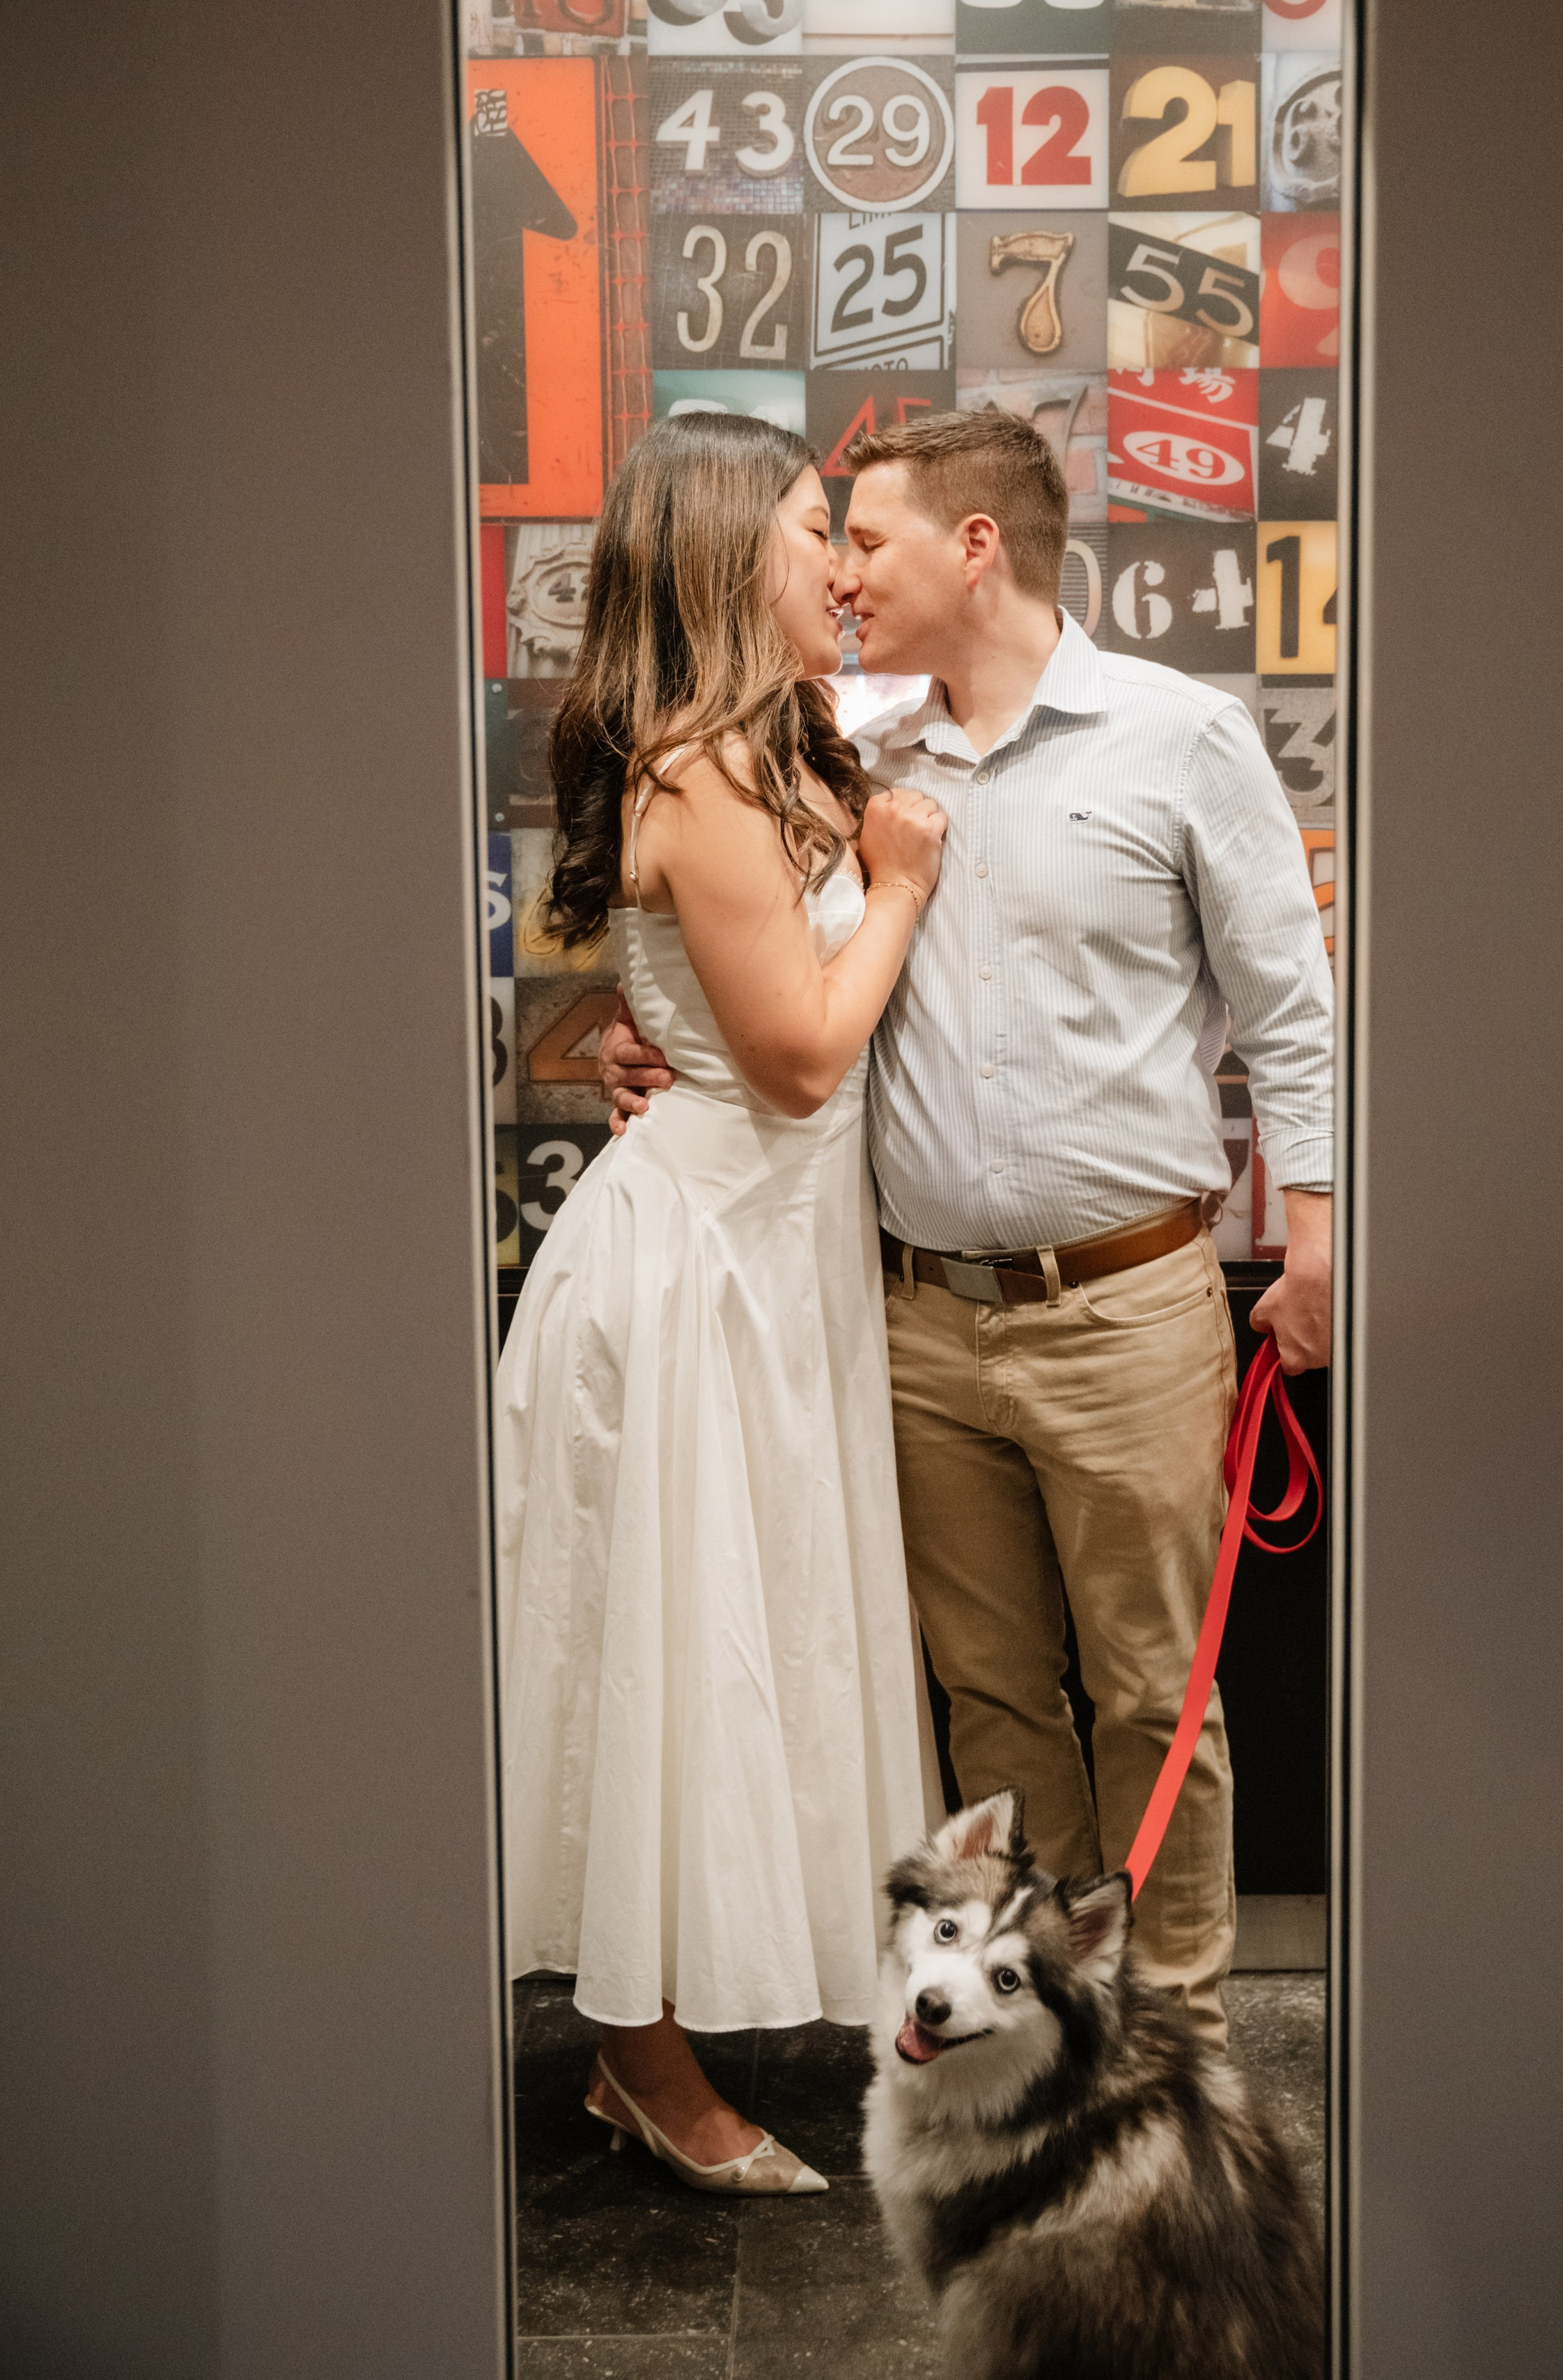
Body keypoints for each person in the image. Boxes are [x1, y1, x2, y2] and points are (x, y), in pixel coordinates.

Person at [604, 407, 1333, 2055]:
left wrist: (1317, 1236)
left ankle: (1178, 2032)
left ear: (974, 547)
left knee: (1154, 1694)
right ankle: (1045, 2017)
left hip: (1131, 1307)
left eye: (866, 540)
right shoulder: (842, 748)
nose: (844, 574)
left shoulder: (1179, 736)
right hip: (917, 1320)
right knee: (991, 1701)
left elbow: (1293, 1012)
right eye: (833, 543)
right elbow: (733, 962)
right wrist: (628, 1036)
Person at [498, 414, 948, 2195]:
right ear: (718, 560)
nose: (841, 562)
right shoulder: (698, 769)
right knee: (664, 1659)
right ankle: (643, 2066)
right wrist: (901, 888)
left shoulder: (776, 748)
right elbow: (796, 1054)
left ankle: (675, 2027)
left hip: (771, 1271)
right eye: (811, 528)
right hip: (691, 1284)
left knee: (733, 1650)